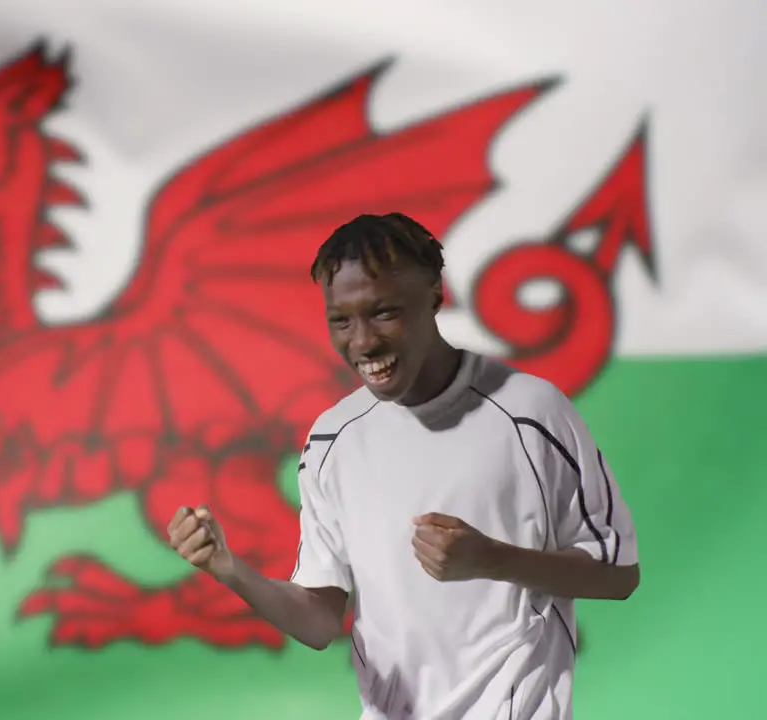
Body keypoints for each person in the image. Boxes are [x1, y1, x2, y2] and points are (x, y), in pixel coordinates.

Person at [167, 213, 640, 719]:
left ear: (435, 295)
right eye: (341, 321)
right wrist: (228, 569)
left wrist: (490, 560)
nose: (363, 342)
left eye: (384, 312)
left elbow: (618, 574)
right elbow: (320, 621)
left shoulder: (531, 413)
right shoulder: (333, 441)